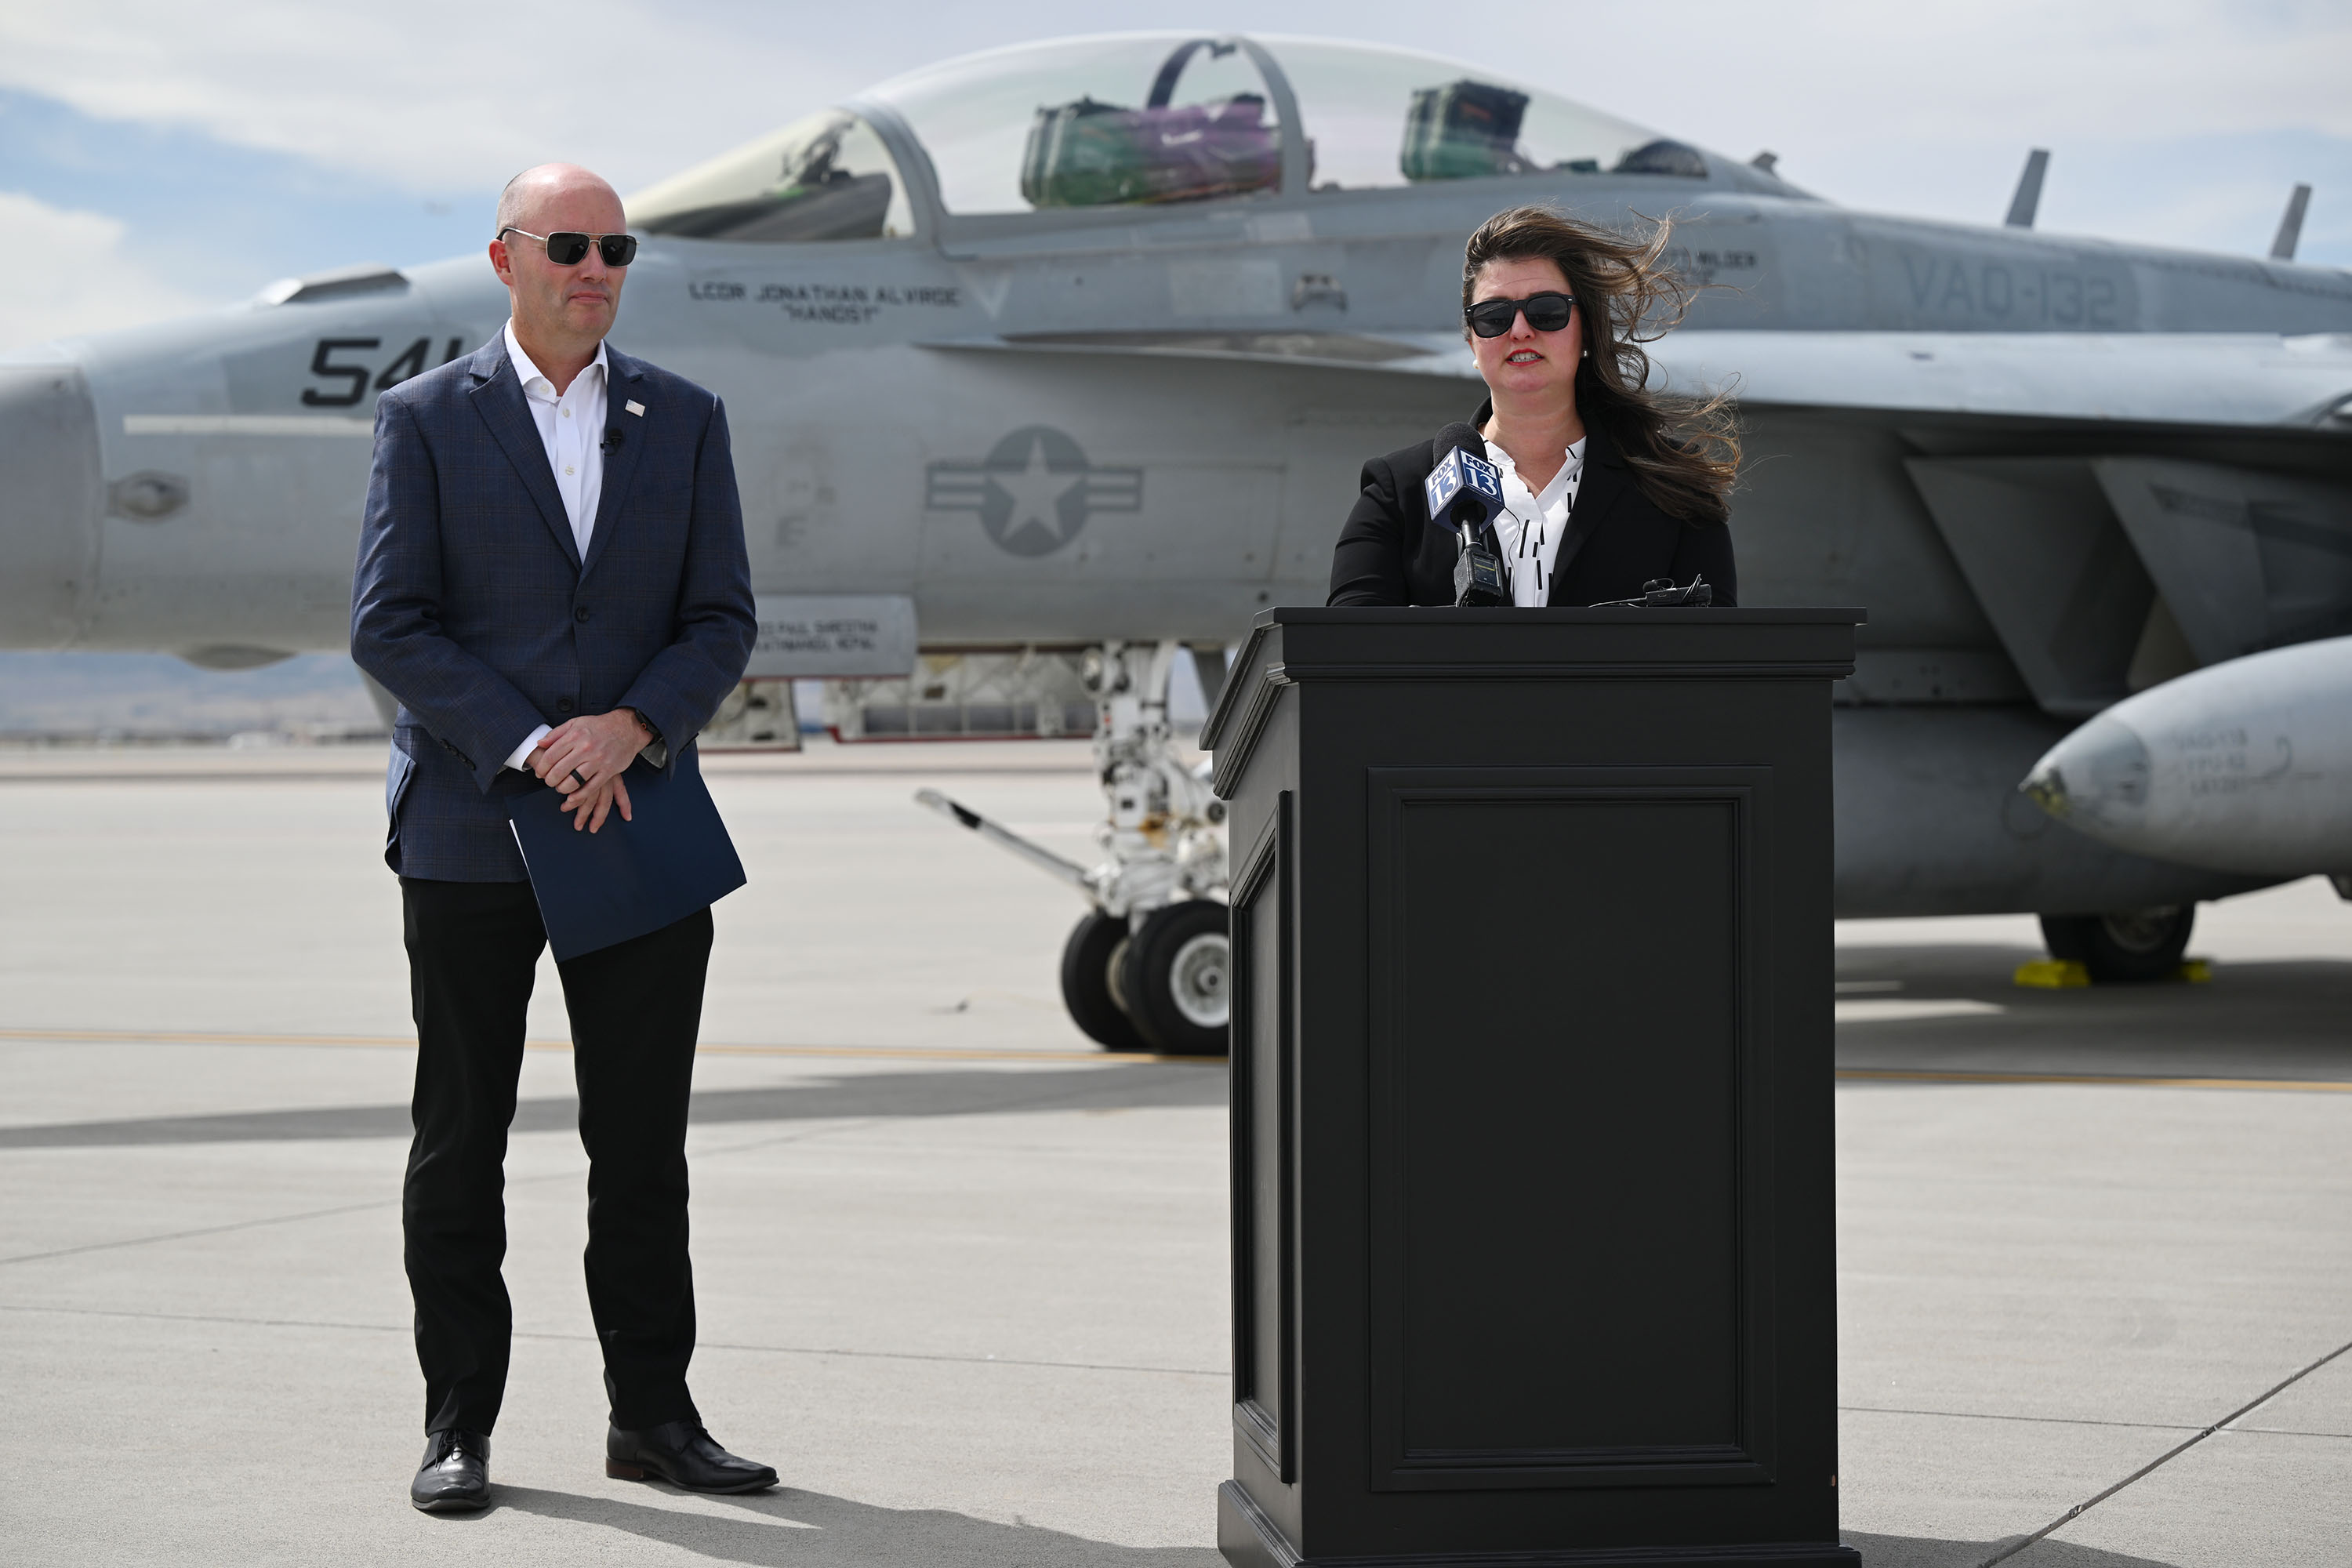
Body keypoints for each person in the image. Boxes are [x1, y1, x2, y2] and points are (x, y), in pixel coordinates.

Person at [350, 163, 768, 1512]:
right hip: (475, 827)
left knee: (641, 1147)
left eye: (616, 248)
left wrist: (631, 727)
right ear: (506, 258)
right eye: (569, 245)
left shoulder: (686, 418)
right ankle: (457, 1426)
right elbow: (390, 625)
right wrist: (542, 743)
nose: (596, 267)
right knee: (459, 1141)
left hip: (635, 822)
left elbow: (719, 619)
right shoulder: (424, 420)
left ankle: (652, 1417)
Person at [1327, 205, 1739, 608]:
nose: (1520, 331)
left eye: (1546, 311)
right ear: (1472, 342)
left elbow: (1714, 660)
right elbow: (1344, 653)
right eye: (1493, 316)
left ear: (1587, 331)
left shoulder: (1674, 491)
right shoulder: (1398, 492)